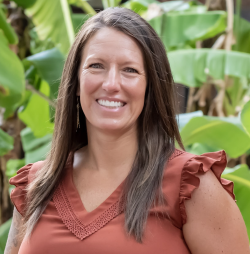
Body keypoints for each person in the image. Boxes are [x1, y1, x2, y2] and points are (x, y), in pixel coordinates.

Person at [5, 7, 249, 254]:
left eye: (130, 70)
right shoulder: (36, 185)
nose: (111, 84)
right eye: (96, 65)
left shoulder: (191, 186)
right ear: (76, 81)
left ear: (149, 86)